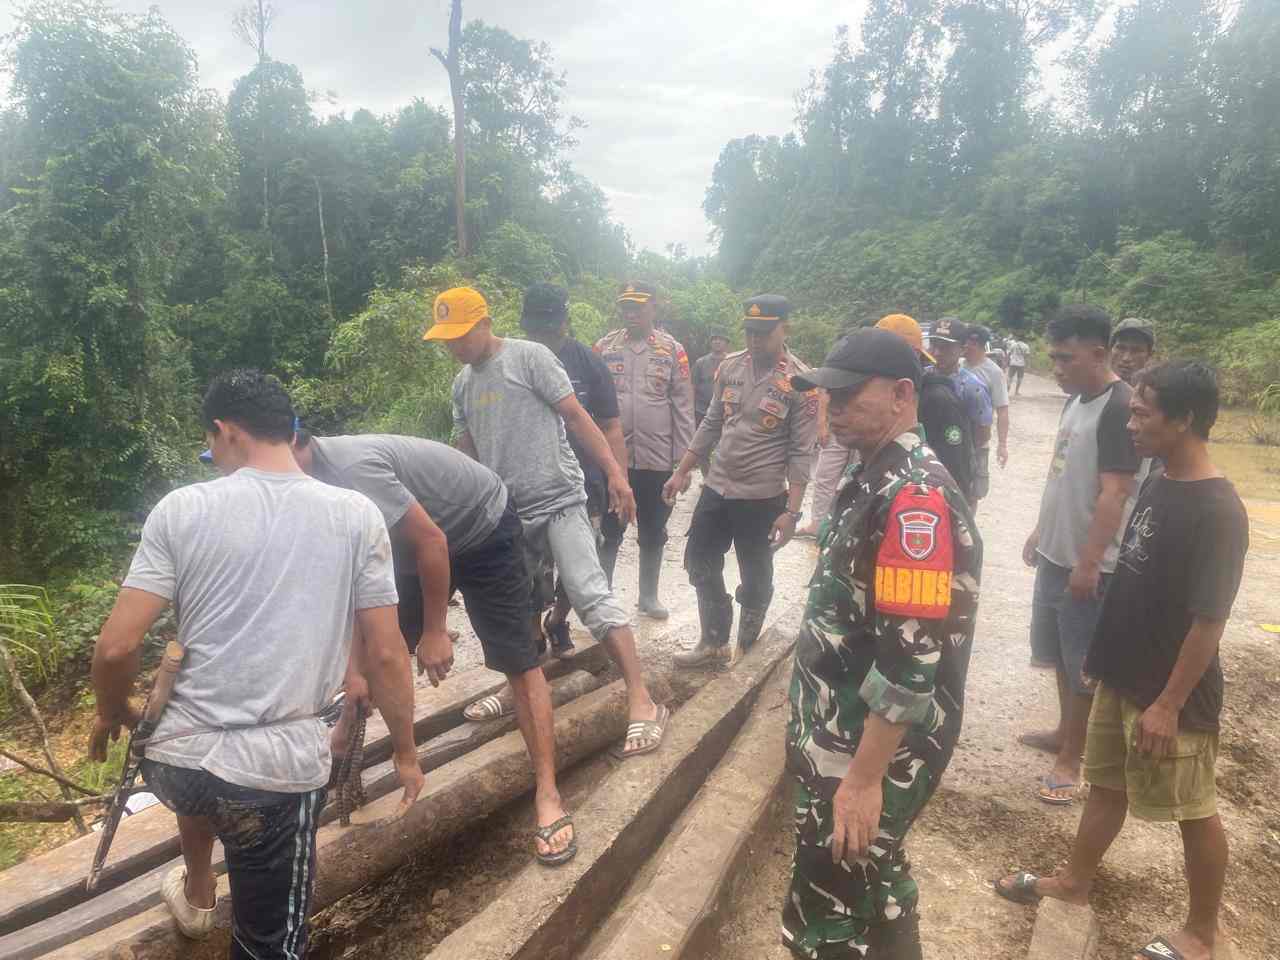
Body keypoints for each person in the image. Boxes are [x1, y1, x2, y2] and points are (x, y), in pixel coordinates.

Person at [89, 370, 423, 957]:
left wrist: (108, 711)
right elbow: (389, 653)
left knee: (208, 781)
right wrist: (405, 750)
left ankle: (197, 888)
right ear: (288, 430)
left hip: (176, 768)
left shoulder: (181, 509)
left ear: (224, 431)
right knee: (271, 943)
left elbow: (116, 648)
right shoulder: (355, 515)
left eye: (210, 445)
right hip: (275, 779)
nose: (212, 456)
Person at [998, 361, 1247, 960]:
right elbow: (1131, 578)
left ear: (1184, 419)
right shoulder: (1158, 479)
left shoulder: (1219, 511)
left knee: (1194, 810)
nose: (1130, 422)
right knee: (1106, 786)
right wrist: (1101, 658)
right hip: (1122, 674)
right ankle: (1075, 882)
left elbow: (1209, 621)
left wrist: (1169, 703)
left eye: (1143, 412)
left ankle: (1202, 933)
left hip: (1170, 694)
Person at [784, 329, 983, 960]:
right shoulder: (873, 473)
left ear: (901, 394)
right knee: (876, 873)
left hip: (869, 749)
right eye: (825, 394)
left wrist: (865, 779)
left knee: (822, 914)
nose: (832, 406)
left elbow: (910, 661)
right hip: (842, 731)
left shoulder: (912, 498)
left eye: (846, 393)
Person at [292, 430, 577, 865]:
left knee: (518, 661)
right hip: (417, 544)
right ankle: (344, 736)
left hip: (480, 528)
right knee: (375, 648)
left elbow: (434, 542)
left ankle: (549, 794)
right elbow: (353, 590)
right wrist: (353, 675)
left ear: (295, 446)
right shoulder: (302, 492)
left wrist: (435, 630)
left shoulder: (352, 472)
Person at [426, 286, 670, 759]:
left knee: (590, 596)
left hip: (558, 500)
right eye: (446, 339)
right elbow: (468, 454)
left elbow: (577, 417)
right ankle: (517, 687)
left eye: (460, 335)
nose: (454, 346)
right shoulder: (463, 385)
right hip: (508, 515)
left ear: (484, 323)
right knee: (518, 609)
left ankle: (642, 700)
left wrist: (617, 474)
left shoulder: (530, 358)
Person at [1020, 305, 1140, 805]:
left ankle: (1073, 757)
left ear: (1098, 353)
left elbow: (1114, 494)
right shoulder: (1077, 400)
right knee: (1059, 658)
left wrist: (1089, 563)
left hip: (1087, 564)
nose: (1056, 368)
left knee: (1083, 665)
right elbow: (1065, 474)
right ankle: (1065, 732)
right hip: (1055, 552)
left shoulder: (1118, 407)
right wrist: (1039, 530)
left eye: (1066, 359)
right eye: (1052, 357)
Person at [663, 295, 818, 666]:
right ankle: (713, 642)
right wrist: (682, 469)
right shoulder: (729, 368)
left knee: (755, 576)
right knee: (699, 560)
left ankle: (746, 649)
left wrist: (792, 513)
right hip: (717, 488)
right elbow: (712, 423)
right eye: (749, 332)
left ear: (785, 329)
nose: (754, 340)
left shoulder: (801, 382)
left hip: (762, 498)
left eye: (764, 333)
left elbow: (801, 453)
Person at [521, 283, 627, 656]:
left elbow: (610, 425)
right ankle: (533, 631)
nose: (543, 337)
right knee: (529, 565)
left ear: (565, 322)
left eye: (549, 328)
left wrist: (619, 478)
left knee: (581, 563)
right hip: (527, 484)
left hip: (581, 482)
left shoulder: (588, 363)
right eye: (535, 330)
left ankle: (559, 619)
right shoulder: (512, 361)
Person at [594, 282, 696, 618]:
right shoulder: (604, 347)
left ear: (654, 307)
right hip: (614, 461)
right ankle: (602, 596)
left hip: (657, 460)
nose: (631, 313)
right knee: (610, 528)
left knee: (654, 529)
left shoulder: (672, 350)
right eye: (626, 307)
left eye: (638, 306)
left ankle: (648, 596)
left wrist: (684, 463)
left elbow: (683, 405)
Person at [877, 313, 977, 503]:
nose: (939, 352)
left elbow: (957, 463)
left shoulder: (938, 399)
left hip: (925, 501)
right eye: (935, 345)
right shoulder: (885, 394)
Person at [930, 317, 994, 503]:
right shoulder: (922, 377)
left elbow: (983, 434)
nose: (938, 352)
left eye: (946, 347)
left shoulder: (972, 387)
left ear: (962, 349)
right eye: (934, 345)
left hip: (958, 463)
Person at [961, 324, 1011, 490]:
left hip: (978, 440)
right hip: (955, 437)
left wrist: (1002, 445)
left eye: (964, 342)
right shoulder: (958, 365)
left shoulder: (994, 372)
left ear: (974, 344)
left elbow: (1002, 410)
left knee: (975, 489)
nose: (962, 346)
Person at [693, 332, 731, 426]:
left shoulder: (732, 362)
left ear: (726, 342)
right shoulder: (700, 362)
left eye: (721, 339)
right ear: (710, 342)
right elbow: (692, 386)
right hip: (701, 411)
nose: (717, 342)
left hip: (725, 412)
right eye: (714, 339)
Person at [1111, 317, 1155, 387]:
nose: (1126, 358)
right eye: (1121, 348)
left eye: (1136, 351)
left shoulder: (1154, 395)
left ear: (1149, 355)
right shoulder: (1091, 387)